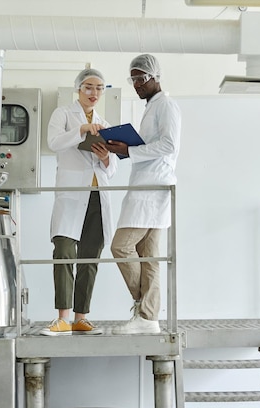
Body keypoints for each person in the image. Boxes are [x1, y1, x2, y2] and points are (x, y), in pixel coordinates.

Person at [106, 54, 181, 335]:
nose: (136, 84)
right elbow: (151, 146)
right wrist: (121, 149)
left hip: (154, 187)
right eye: (133, 79)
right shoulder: (152, 107)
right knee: (147, 255)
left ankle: (143, 306)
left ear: (154, 77)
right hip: (147, 186)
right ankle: (149, 318)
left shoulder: (167, 106)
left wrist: (130, 151)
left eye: (140, 79)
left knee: (121, 246)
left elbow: (169, 145)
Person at [41, 68, 118, 336]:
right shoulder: (63, 114)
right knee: (63, 251)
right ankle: (62, 318)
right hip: (72, 193)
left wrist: (106, 156)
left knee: (90, 256)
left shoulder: (105, 123)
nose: (94, 93)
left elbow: (112, 167)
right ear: (78, 89)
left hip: (97, 195)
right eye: (88, 87)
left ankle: (81, 317)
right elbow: (53, 143)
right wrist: (81, 130)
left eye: (99, 88)